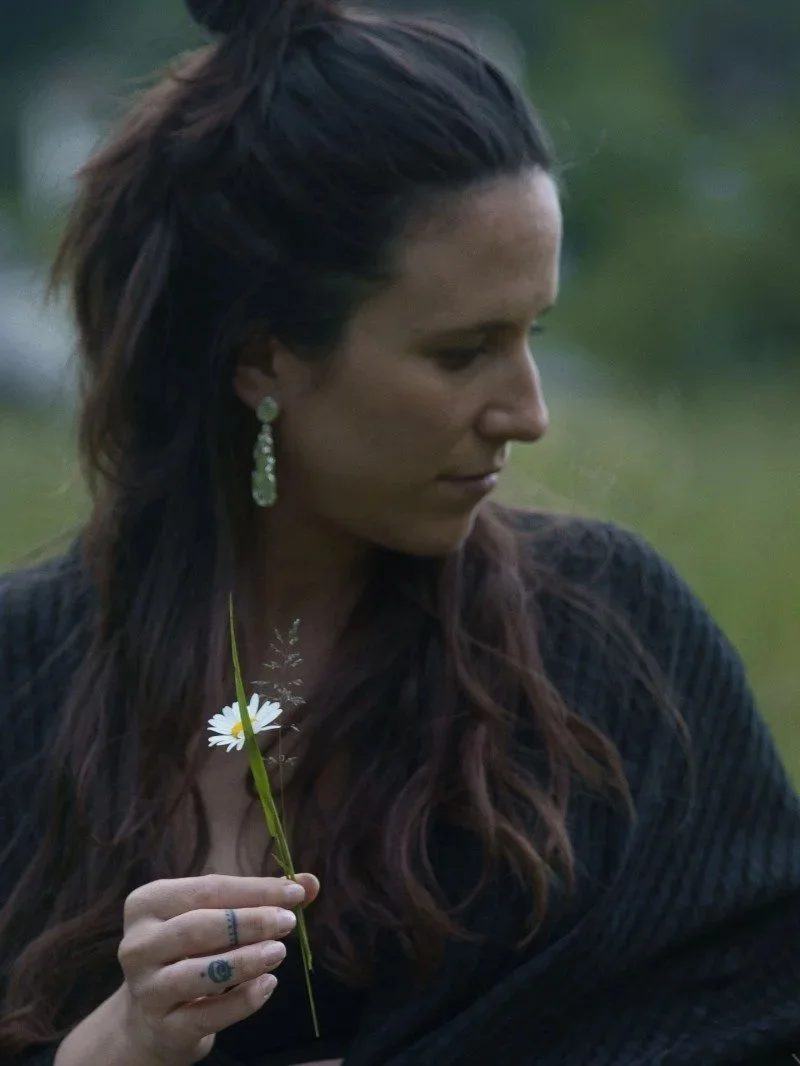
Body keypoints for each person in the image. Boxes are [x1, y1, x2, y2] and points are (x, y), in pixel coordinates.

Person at [1, 0, 799, 1064]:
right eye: (462, 350)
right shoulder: (22, 680)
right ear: (263, 355)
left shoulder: (612, 651)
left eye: (531, 335)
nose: (527, 410)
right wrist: (105, 1052)